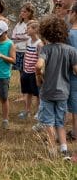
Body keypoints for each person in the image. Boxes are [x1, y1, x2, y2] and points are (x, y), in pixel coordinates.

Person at [35, 15, 77, 159]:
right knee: (60, 121)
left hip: (47, 91)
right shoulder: (71, 50)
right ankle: (64, 149)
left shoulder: (46, 49)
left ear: (46, 32)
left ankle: (52, 150)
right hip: (63, 92)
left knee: (48, 122)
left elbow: (39, 65)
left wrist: (39, 76)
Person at [18, 20, 43, 119]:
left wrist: (38, 73)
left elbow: (40, 58)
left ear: (35, 30)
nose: (26, 30)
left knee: (37, 94)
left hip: (34, 73)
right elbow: (26, 55)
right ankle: (27, 111)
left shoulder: (39, 44)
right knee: (27, 92)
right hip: (26, 71)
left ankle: (38, 112)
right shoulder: (28, 41)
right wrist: (24, 67)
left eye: (29, 28)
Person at [12, 2, 35, 101]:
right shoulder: (19, 24)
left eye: (25, 11)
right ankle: (24, 94)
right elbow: (13, 36)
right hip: (18, 50)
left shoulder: (32, 23)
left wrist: (20, 37)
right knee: (21, 74)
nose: (22, 13)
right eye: (21, 11)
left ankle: (28, 94)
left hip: (27, 51)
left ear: (30, 13)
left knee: (27, 74)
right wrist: (21, 37)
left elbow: (28, 36)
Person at [67, 2, 77, 141]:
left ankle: (75, 132)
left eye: (70, 12)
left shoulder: (69, 35)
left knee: (74, 106)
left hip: (73, 75)